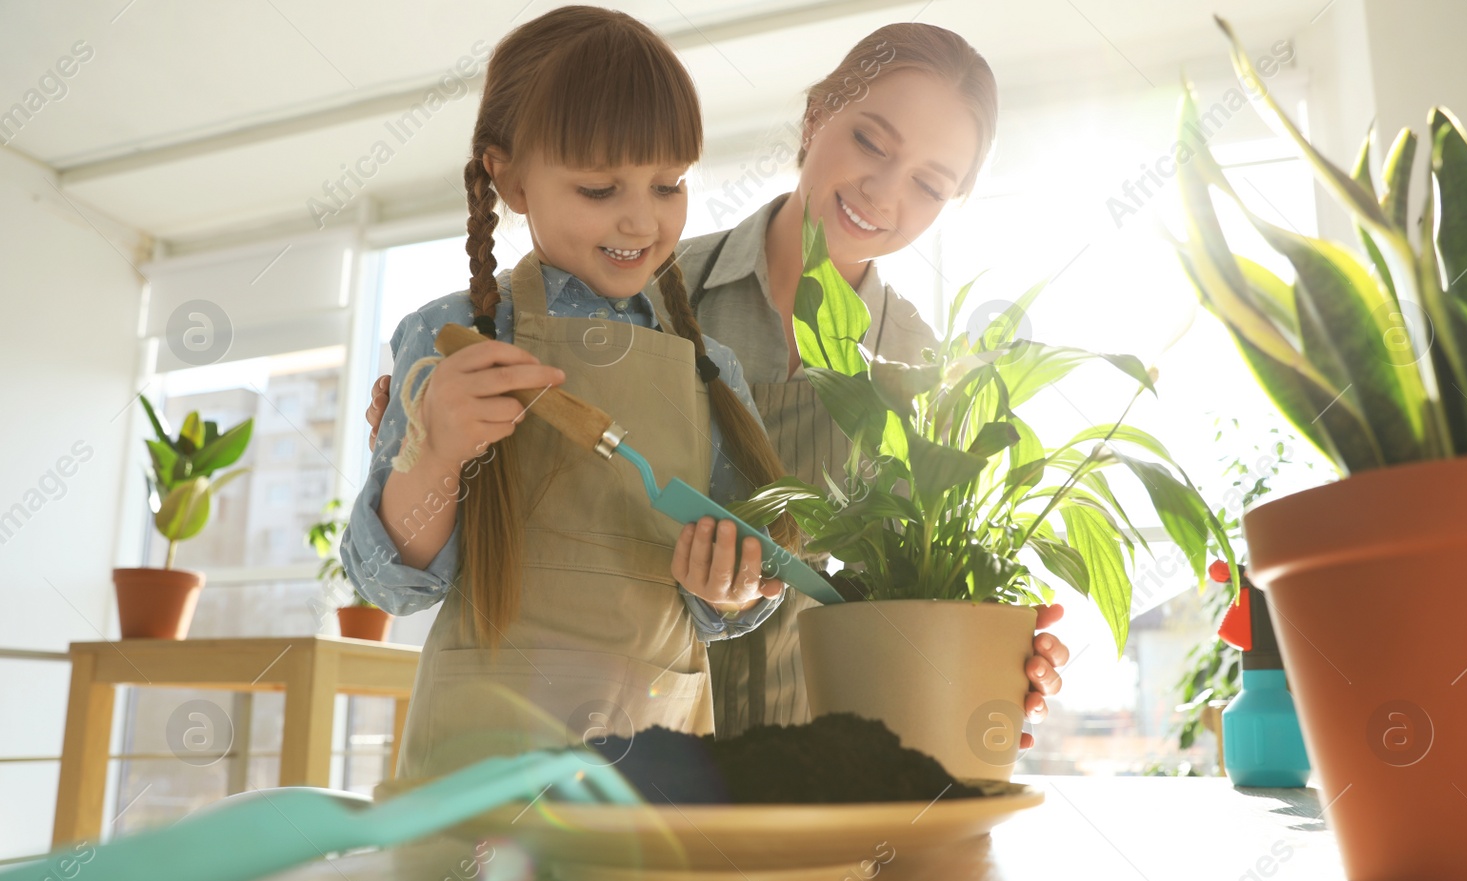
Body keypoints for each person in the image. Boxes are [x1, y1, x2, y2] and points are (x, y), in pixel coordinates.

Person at [365, 23, 1070, 751]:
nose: (884, 192)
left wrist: (994, 655)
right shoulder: (641, 284)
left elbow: (917, 595)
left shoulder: (928, 373)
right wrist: (427, 450)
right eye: (870, 142)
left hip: (819, 747)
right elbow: (415, 548)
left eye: (929, 183)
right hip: (632, 744)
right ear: (816, 115)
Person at [342, 6, 794, 777]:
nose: (641, 218)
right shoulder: (452, 338)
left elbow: (740, 596)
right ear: (509, 177)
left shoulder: (709, 366)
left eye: (668, 183)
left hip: (654, 762)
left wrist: (730, 587)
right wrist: (436, 452)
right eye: (597, 187)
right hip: (480, 768)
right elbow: (388, 585)